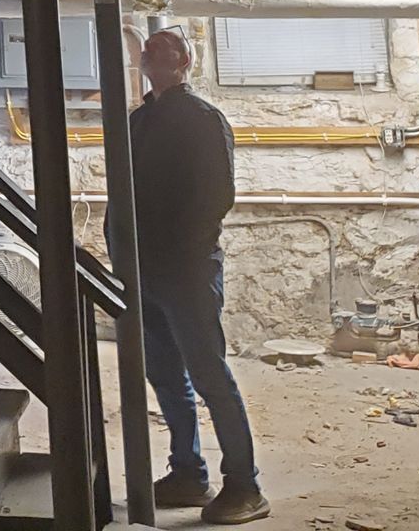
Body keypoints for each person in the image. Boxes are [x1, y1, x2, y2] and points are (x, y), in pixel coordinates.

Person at [129, 26, 270, 524]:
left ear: (186, 61)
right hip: (144, 269)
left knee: (209, 374)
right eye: (149, 47)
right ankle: (188, 473)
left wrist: (182, 255)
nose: (154, 51)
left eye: (168, 46)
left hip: (185, 269)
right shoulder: (141, 119)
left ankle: (245, 486)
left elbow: (217, 197)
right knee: (165, 374)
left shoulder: (202, 119)